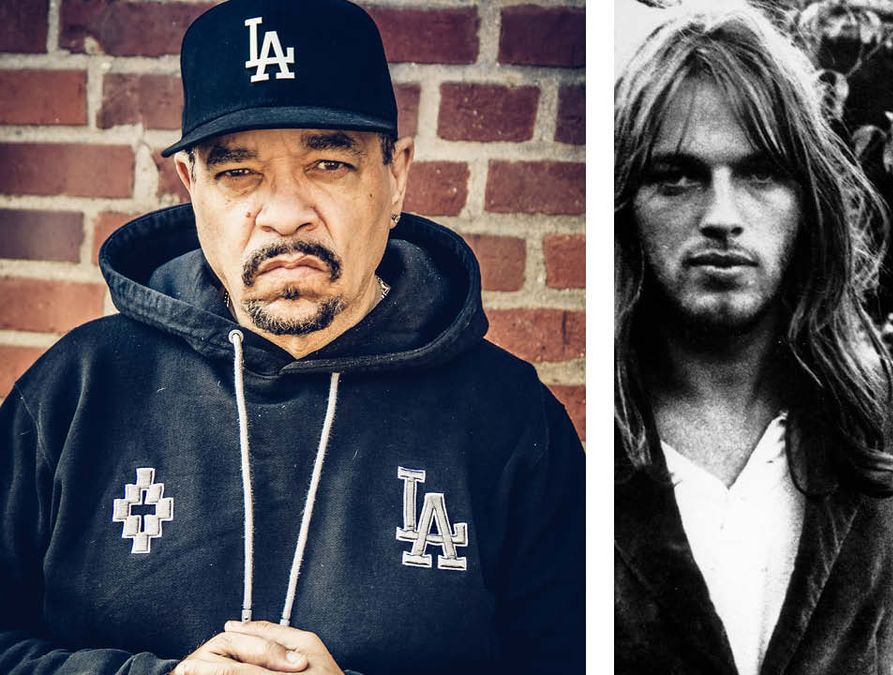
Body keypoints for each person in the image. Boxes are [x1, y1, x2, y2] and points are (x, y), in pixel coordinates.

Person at [0, 0, 585, 673]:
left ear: (396, 177)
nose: (283, 214)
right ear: (191, 185)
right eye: (238, 172)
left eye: (328, 164)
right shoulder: (77, 391)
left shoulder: (510, 420)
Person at [613, 5, 893, 674]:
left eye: (760, 173)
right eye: (675, 177)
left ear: (810, 199)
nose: (720, 217)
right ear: (627, 200)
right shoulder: (575, 436)